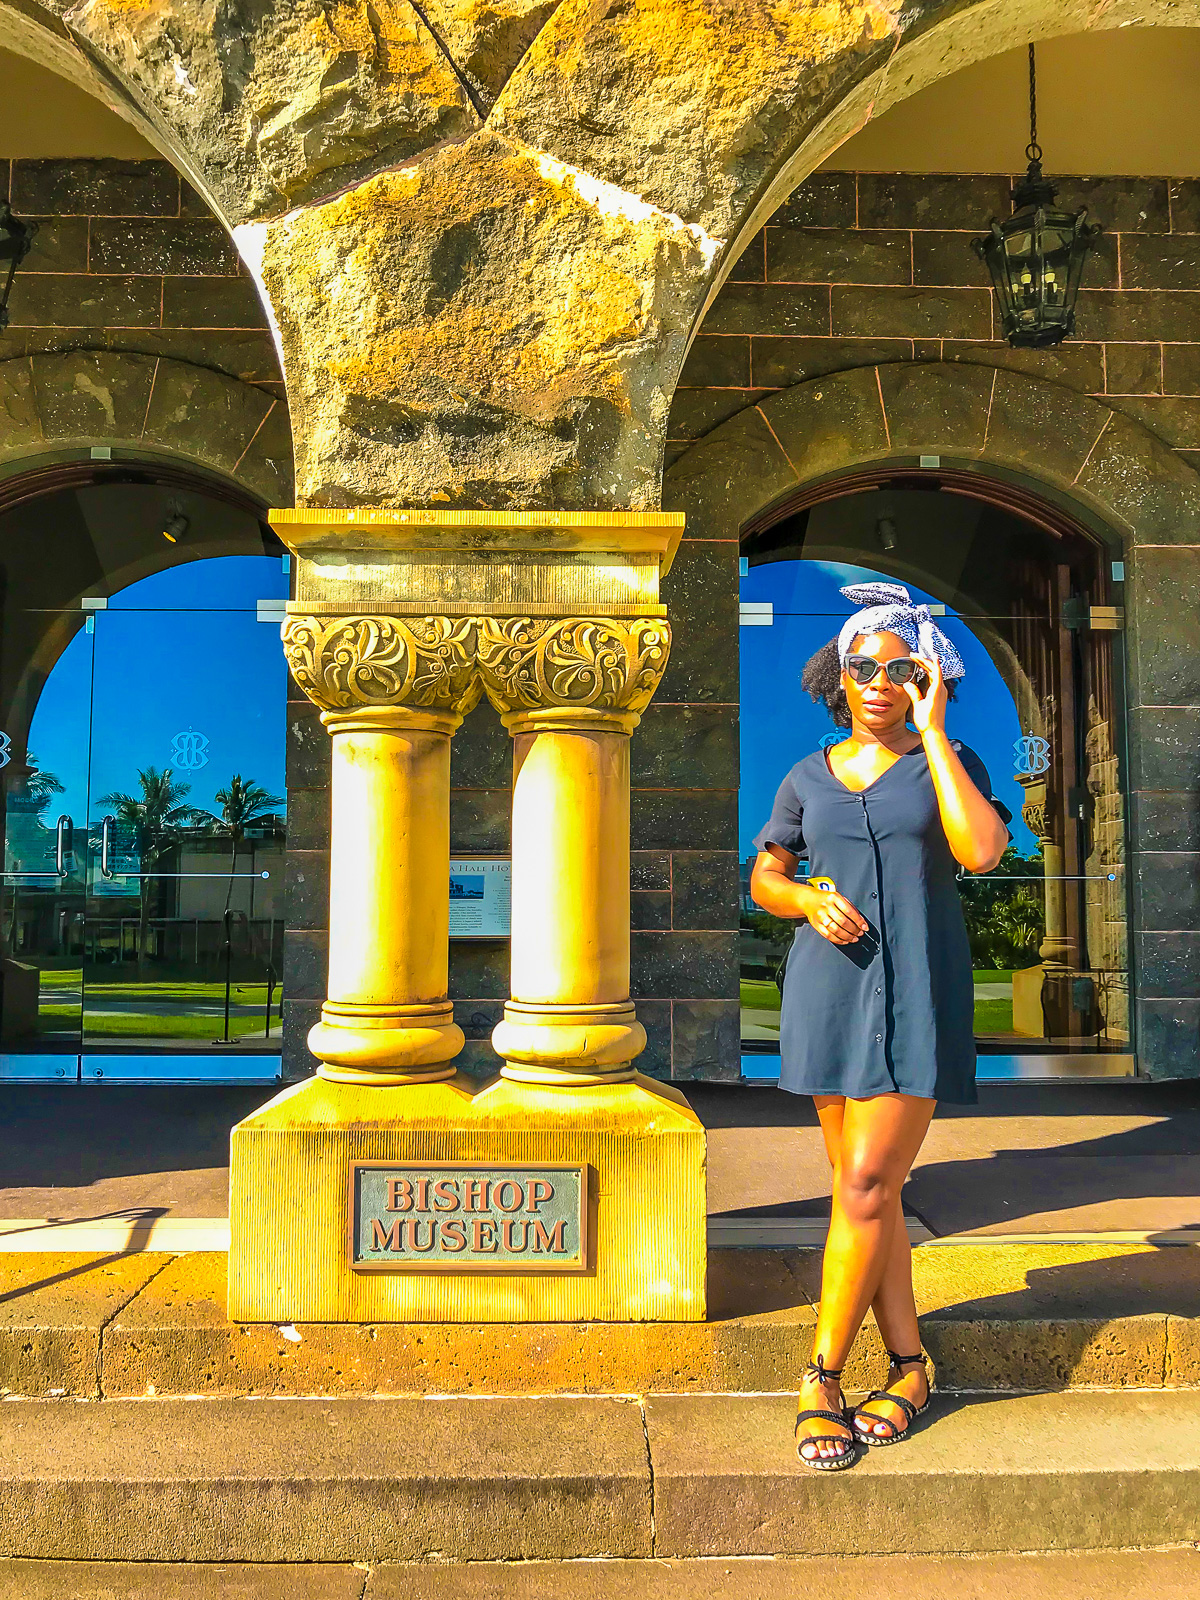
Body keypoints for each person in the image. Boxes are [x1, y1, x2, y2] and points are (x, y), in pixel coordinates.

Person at [749, 582, 1010, 1469]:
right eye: (863, 665)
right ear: (841, 674)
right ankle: (910, 1368)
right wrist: (805, 899)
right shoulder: (805, 774)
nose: (878, 681)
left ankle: (821, 1372)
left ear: (926, 678)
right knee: (874, 1194)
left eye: (901, 668)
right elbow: (767, 877)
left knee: (862, 1184)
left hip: (917, 992)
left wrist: (935, 734)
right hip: (827, 988)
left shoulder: (953, 759)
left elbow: (978, 851)